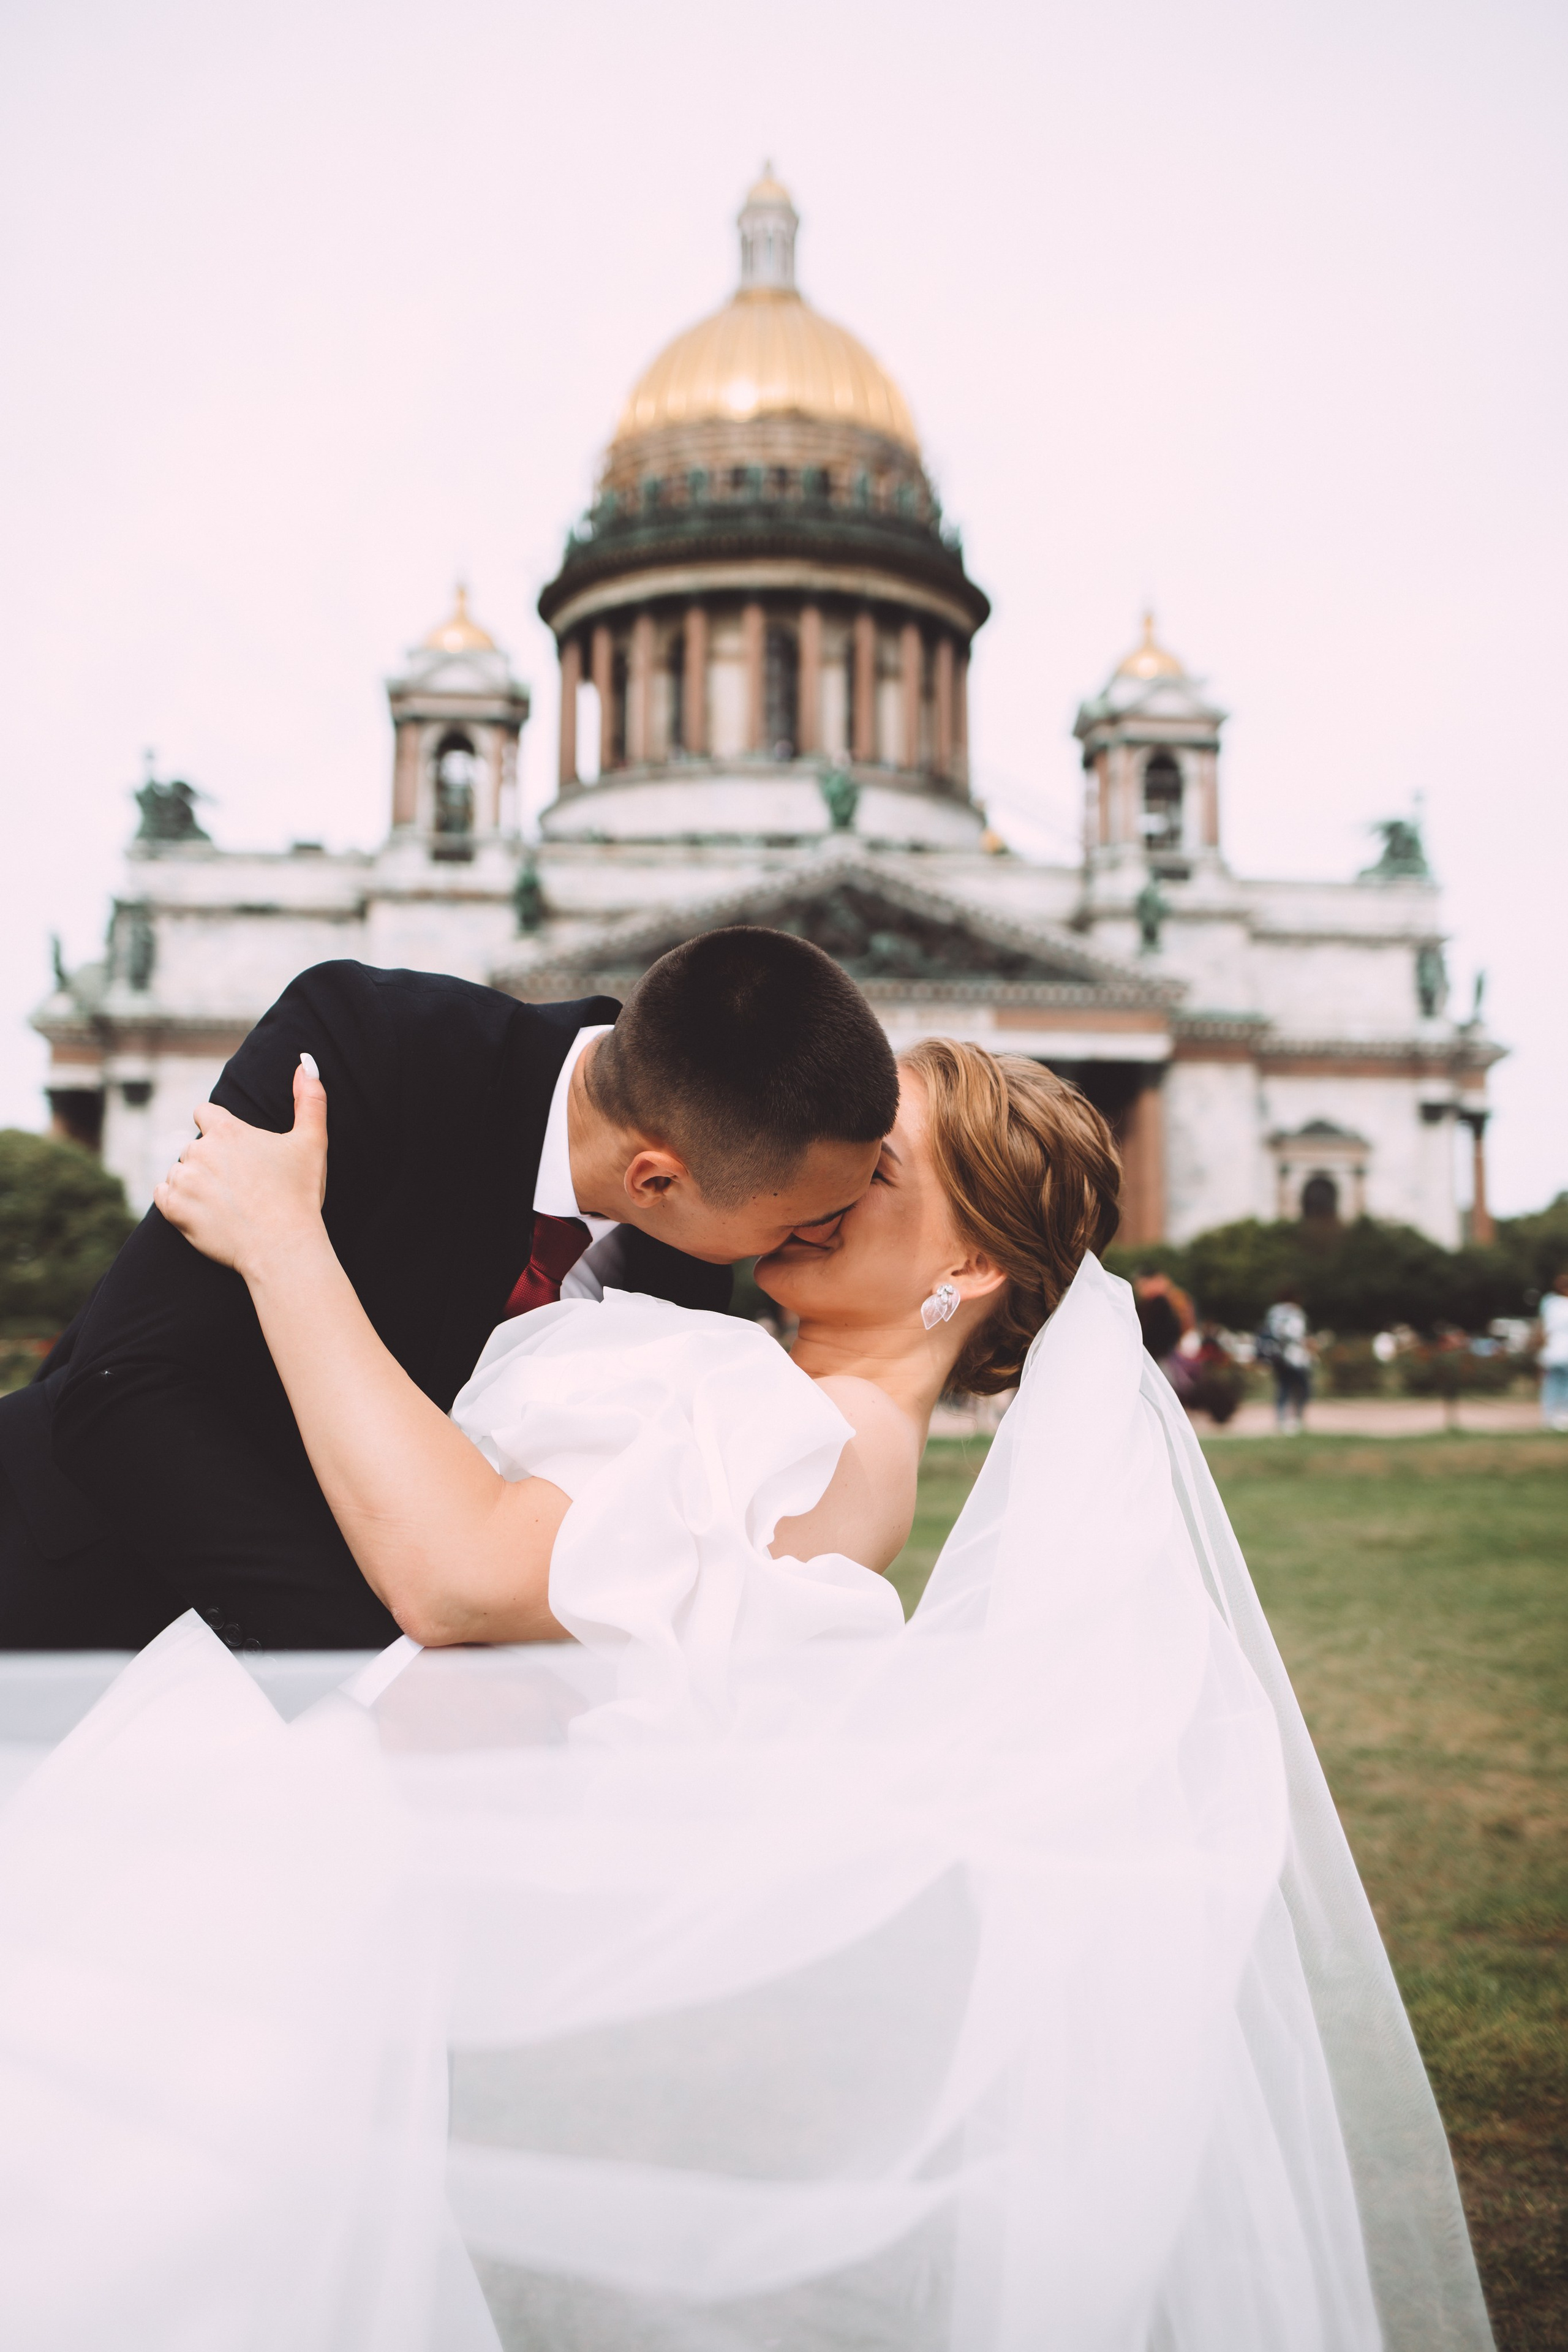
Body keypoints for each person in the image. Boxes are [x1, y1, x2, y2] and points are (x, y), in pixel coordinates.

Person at [0, 1042, 1493, 2351]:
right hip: (256, 1787)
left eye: (877, 1159)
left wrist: (282, 1246)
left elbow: (458, 1573)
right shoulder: (801, 1415)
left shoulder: (807, 1437)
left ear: (965, 1270)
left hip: (261, 1842)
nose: (822, 1166)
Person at [0, 930, 897, 1650]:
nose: (817, 1239)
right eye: (796, 1223)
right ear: (656, 1180)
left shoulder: (690, 1249)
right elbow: (127, 1393)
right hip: (75, 1612)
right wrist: (372, 1676)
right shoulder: (364, 1045)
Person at [1260, 1286, 1313, 1431]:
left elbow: (1269, 1332)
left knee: (1283, 1386)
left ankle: (1281, 1418)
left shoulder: (1274, 1312)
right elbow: (1297, 1334)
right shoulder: (1296, 1312)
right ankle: (1298, 1417)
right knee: (1303, 1387)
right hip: (1295, 1356)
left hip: (1278, 1355)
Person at [1539, 1266, 1568, 1431]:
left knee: (1551, 1386)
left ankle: (1549, 1418)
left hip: (1551, 1353)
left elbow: (1544, 1329)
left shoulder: (1550, 1302)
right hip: (1564, 1353)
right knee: (1565, 1387)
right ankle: (1562, 1417)